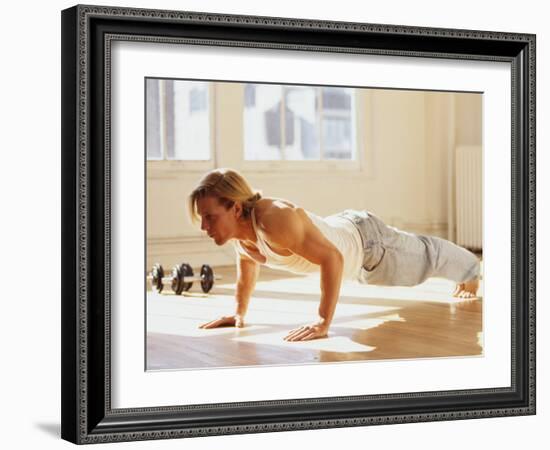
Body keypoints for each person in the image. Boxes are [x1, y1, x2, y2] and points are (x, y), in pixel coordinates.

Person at [188, 168, 480, 342]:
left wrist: (322, 322)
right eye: (202, 218)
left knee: (426, 260)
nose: (204, 226)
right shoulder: (240, 233)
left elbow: (332, 259)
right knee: (417, 262)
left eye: (209, 217)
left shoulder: (273, 219)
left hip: (368, 247)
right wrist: (239, 312)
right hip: (351, 243)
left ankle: (472, 270)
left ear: (236, 208)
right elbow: (247, 266)